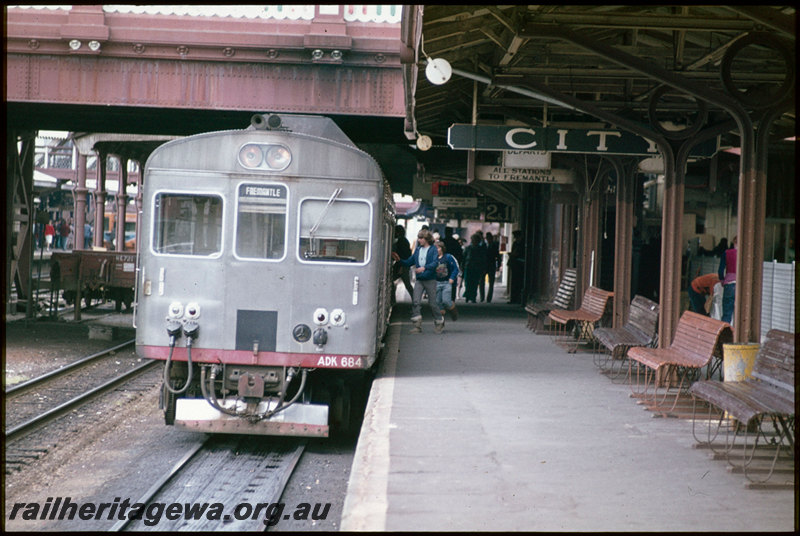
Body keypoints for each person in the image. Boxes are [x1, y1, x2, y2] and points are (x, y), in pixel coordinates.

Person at [392, 230, 445, 333]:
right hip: (420, 280)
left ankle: (439, 322)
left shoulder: (433, 249)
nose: (419, 240)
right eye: (419, 238)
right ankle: (417, 325)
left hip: (430, 279)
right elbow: (409, 262)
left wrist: (424, 268)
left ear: (427, 239)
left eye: (421, 238)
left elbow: (435, 263)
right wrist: (399, 260)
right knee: (416, 302)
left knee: (432, 303)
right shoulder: (417, 250)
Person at [433, 240, 459, 322]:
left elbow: (455, 268)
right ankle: (441, 322)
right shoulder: (433, 259)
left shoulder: (448, 257)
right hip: (436, 283)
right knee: (438, 302)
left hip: (446, 282)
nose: (436, 250)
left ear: (442, 249)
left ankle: (453, 310)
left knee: (446, 301)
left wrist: (452, 277)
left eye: (438, 248)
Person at [462, 233, 487, 304]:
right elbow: (464, 258)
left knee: (475, 283)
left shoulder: (480, 249)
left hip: (476, 268)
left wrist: (483, 268)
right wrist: (462, 266)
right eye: (473, 240)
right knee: (467, 282)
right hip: (468, 267)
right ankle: (467, 296)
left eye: (475, 240)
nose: (474, 241)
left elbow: (483, 259)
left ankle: (473, 297)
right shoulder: (468, 248)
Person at [391, 225, 414, 303]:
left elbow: (403, 255)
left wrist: (401, 266)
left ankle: (393, 301)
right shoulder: (404, 241)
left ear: (398, 232)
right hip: (402, 266)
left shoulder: (401, 241)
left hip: (401, 266)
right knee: (408, 286)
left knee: (392, 281)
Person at [718, 235, 737, 324]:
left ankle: (725, 335)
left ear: (734, 242)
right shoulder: (745, 254)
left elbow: (720, 270)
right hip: (741, 285)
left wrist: (722, 280)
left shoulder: (727, 253)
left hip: (729, 284)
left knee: (727, 314)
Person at [443, 227, 463, 302]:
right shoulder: (455, 243)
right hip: (452, 265)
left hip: (443, 265)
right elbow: (460, 254)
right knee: (452, 281)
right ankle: (452, 298)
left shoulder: (443, 242)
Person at [508, 230, 525, 304]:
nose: (515, 238)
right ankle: (514, 298)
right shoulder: (515, 244)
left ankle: (518, 299)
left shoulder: (522, 244)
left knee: (519, 282)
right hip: (514, 264)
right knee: (514, 282)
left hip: (520, 264)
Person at [484, 232, 501, 303]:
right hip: (484, 265)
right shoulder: (484, 245)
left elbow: (498, 256)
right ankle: (482, 296)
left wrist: (498, 265)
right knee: (482, 281)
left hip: (491, 265)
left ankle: (489, 298)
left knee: (491, 282)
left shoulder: (495, 245)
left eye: (489, 238)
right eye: (487, 238)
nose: (488, 239)